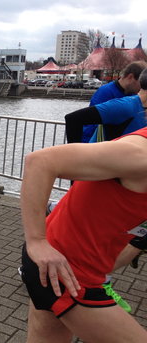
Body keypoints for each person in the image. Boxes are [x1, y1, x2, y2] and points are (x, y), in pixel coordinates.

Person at [19, 127, 147, 342]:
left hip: (66, 267)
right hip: (64, 272)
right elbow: (40, 161)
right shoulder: (139, 155)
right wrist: (36, 241)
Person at [63, 68, 147, 313]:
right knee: (95, 237)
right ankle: (94, 286)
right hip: (99, 181)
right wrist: (77, 163)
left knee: (111, 238)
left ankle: (96, 282)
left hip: (122, 186)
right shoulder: (127, 105)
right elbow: (74, 119)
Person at [82, 61, 147, 142]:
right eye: (141, 83)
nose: (142, 88)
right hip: (100, 145)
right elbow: (91, 123)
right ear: (130, 77)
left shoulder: (133, 95)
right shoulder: (105, 92)